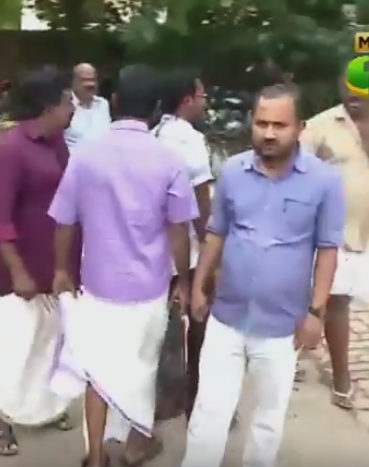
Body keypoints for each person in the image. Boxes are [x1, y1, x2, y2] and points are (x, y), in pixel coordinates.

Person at [182, 84, 345, 467]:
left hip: (282, 325)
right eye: (261, 123)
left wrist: (316, 312)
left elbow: (327, 249)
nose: (269, 133)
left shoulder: (324, 181)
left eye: (279, 125)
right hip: (227, 316)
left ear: (300, 127)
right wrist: (199, 285)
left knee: (268, 420)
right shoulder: (233, 172)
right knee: (209, 412)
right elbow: (216, 232)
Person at [49, 63, 198, 467]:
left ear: (113, 102)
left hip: (97, 285)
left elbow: (65, 220)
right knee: (142, 369)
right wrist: (184, 281)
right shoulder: (169, 159)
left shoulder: (85, 155)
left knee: (96, 372)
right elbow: (178, 230)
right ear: (156, 108)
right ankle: (135, 447)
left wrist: (62, 269)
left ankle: (96, 455)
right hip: (149, 288)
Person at [299, 65, 369, 410]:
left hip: (363, 234)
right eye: (348, 85)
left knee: (334, 300)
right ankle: (341, 377)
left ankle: (297, 351)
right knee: (335, 301)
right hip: (322, 233)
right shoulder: (320, 127)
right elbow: (294, 174)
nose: (353, 92)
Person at [0, 66, 81, 457]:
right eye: (68, 100)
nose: (74, 106)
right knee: (18, 344)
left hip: (56, 265)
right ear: (48, 105)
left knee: (51, 341)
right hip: (23, 270)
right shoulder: (9, 151)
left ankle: (44, 408)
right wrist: (18, 271)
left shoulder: (57, 144)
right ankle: (3, 415)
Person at [151, 69, 214, 422]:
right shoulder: (190, 140)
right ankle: (195, 397)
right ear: (187, 100)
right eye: (202, 96)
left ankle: (165, 398)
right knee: (198, 321)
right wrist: (210, 245)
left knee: (164, 324)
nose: (205, 103)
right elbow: (201, 198)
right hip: (186, 250)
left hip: (154, 251)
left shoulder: (154, 134)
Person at [65, 63, 111, 150]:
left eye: (93, 80)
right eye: (84, 80)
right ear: (74, 82)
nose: (90, 84)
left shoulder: (103, 104)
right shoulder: (65, 105)